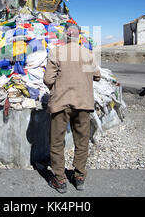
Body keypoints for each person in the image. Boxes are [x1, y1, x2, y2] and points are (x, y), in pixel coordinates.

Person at [43, 24, 100, 193]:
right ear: (79, 35)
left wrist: (58, 86)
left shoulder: (56, 52)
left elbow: (47, 79)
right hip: (84, 102)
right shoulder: (88, 54)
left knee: (57, 141)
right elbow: (97, 76)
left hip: (61, 102)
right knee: (82, 141)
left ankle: (60, 180)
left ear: (66, 35)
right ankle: (80, 177)